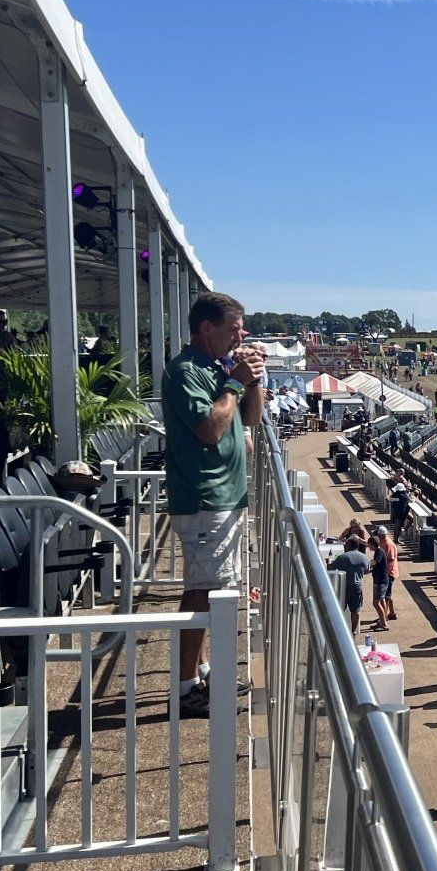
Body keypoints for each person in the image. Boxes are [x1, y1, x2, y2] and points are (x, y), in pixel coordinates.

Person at [161, 291, 263, 717]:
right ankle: (186, 688)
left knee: (210, 590)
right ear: (206, 328)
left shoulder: (215, 367)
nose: (240, 337)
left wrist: (252, 380)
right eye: (233, 329)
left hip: (222, 496)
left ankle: (200, 671)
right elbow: (210, 429)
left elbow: (250, 419)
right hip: (206, 497)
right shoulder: (186, 371)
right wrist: (235, 382)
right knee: (204, 592)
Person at [330, 535, 372, 630]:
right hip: (357, 587)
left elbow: (330, 568)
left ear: (348, 545)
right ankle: (353, 631)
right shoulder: (364, 557)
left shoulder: (342, 557)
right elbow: (366, 570)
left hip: (344, 587)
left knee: (340, 609)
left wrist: (329, 559)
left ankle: (338, 630)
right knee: (356, 611)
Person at [369, 526, 398, 629]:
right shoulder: (381, 544)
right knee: (385, 597)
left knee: (386, 596)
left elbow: (390, 560)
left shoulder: (388, 545)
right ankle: (389, 615)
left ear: (381, 535)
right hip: (385, 575)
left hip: (389, 574)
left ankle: (384, 619)